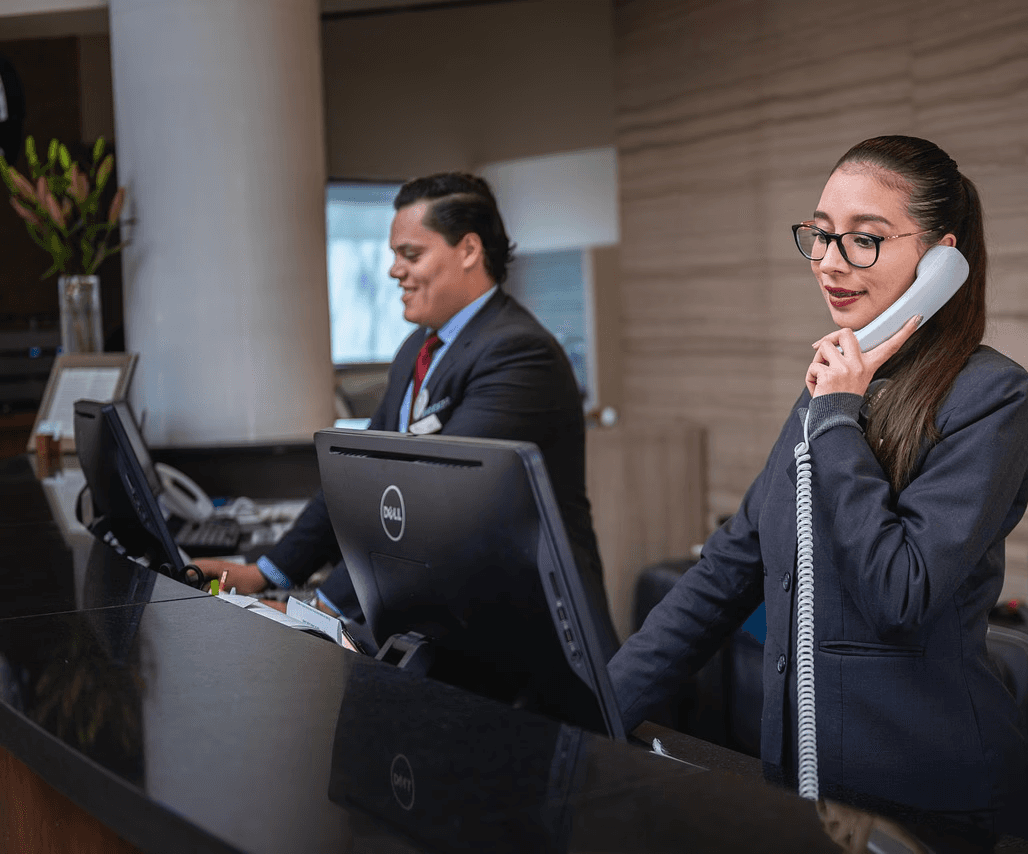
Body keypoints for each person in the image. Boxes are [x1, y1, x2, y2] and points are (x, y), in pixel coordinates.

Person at [608, 136, 1028, 837]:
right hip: (799, 785)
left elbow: (901, 592)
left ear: (942, 262)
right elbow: (724, 574)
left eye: (863, 240)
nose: (830, 262)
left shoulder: (991, 398)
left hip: (923, 802)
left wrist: (836, 414)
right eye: (822, 235)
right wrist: (591, 706)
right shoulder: (834, 392)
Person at [197, 172, 618, 656]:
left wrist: (320, 609)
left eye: (410, 254)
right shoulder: (417, 348)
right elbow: (357, 480)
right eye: (394, 254)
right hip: (451, 628)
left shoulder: (518, 354)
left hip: (528, 644)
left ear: (468, 250)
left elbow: (431, 508)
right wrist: (267, 573)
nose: (394, 270)